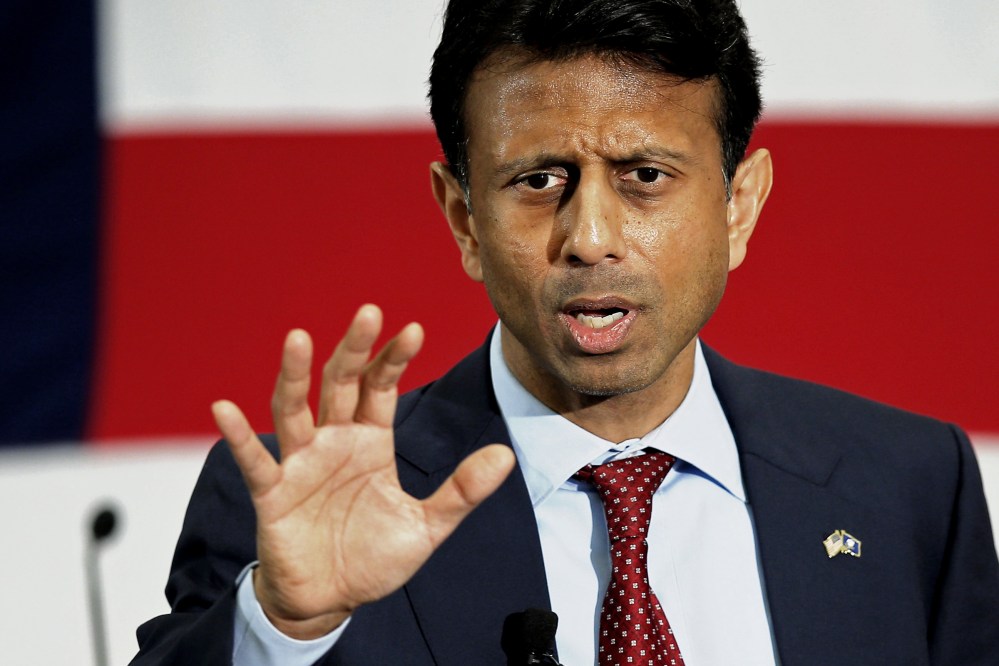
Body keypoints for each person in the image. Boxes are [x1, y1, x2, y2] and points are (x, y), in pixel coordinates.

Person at [131, 0, 999, 664]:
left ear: (738, 205)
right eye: (539, 180)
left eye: (644, 175)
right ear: (464, 219)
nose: (589, 237)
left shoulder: (909, 484)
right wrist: (285, 627)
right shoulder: (305, 508)